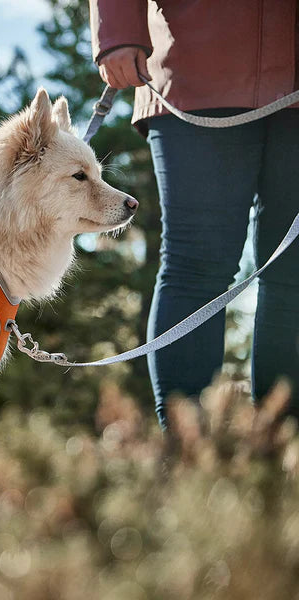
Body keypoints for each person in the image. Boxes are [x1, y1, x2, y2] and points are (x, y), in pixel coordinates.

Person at [89, 1, 299, 427]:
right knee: (197, 267)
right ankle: (186, 456)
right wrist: (117, 30)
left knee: (294, 273)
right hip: (192, 64)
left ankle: (282, 456)